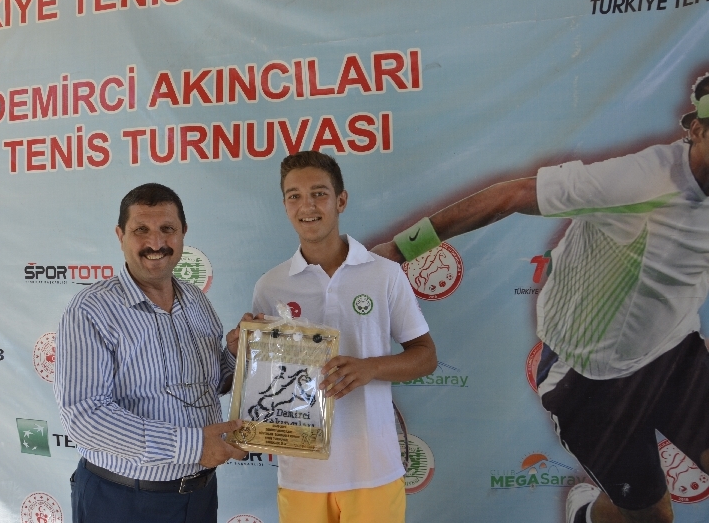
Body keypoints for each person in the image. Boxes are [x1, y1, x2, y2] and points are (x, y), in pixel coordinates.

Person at [372, 75, 709, 523]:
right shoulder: (638, 181)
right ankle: (584, 513)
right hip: (587, 376)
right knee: (651, 516)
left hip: (673, 353)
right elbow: (512, 195)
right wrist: (399, 249)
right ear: (698, 130)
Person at [238, 151, 437, 523]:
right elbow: (264, 381)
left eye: (319, 193)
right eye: (294, 196)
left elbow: (425, 356)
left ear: (341, 200)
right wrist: (245, 349)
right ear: (285, 206)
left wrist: (370, 368)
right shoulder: (270, 285)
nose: (307, 206)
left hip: (373, 469)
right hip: (301, 474)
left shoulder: (384, 274)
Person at [54, 183, 246, 523]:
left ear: (183, 233)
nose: (156, 243)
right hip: (123, 500)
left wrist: (232, 356)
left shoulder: (197, 301)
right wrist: (193, 446)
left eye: (167, 229)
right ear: (120, 236)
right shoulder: (91, 309)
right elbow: (85, 418)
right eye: (141, 230)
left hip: (199, 496)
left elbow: (207, 385)